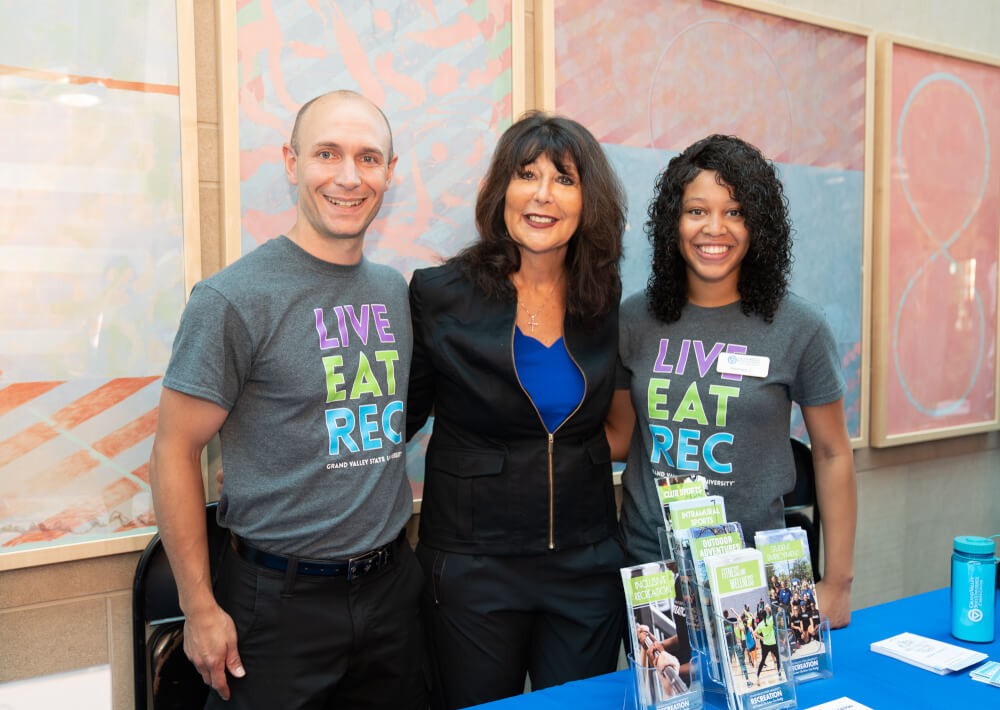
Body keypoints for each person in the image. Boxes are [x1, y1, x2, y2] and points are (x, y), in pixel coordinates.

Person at [149, 90, 427, 709]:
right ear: (291, 162)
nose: (349, 177)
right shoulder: (232, 298)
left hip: (390, 594)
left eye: (369, 158)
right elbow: (174, 450)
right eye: (328, 153)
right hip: (277, 605)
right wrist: (199, 609)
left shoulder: (391, 292)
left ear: (390, 172)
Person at [406, 111, 626, 708]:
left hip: (586, 564)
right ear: (502, 188)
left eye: (565, 179)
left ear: (589, 201)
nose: (543, 195)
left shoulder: (605, 299)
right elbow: (395, 421)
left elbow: (620, 431)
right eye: (527, 174)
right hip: (473, 568)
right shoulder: (438, 294)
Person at [606, 134, 857, 628]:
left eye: (735, 211)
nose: (714, 228)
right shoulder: (634, 319)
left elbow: (832, 452)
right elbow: (618, 438)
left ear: (757, 225)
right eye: (697, 210)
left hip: (754, 575)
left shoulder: (799, 326)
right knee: (667, 698)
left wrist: (837, 583)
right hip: (652, 572)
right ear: (673, 223)